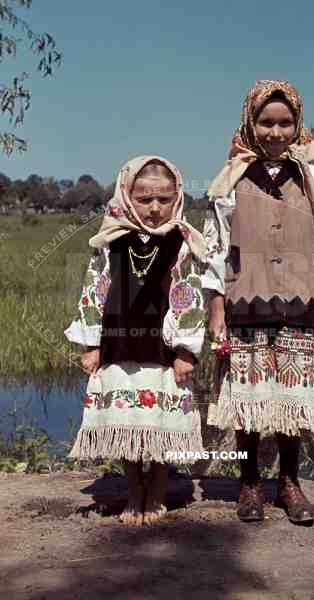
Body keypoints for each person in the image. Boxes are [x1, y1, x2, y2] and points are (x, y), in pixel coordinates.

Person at [202, 80, 314, 524]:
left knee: (291, 400)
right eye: (267, 122)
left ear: (297, 124)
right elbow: (215, 244)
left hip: (300, 301)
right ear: (251, 122)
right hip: (246, 301)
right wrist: (216, 306)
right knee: (247, 402)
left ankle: (289, 482)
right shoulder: (232, 177)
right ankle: (249, 484)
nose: (276, 132)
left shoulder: (312, 176)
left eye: (285, 123)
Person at [65, 155, 207, 526]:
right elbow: (94, 292)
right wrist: (91, 344)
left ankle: (157, 489)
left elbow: (190, 295)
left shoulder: (183, 242)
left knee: (158, 424)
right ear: (127, 197)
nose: (155, 207)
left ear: (176, 197)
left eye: (164, 198)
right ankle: (134, 489)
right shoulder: (110, 241)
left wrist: (185, 351)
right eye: (145, 199)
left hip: (162, 351)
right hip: (119, 345)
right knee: (126, 422)